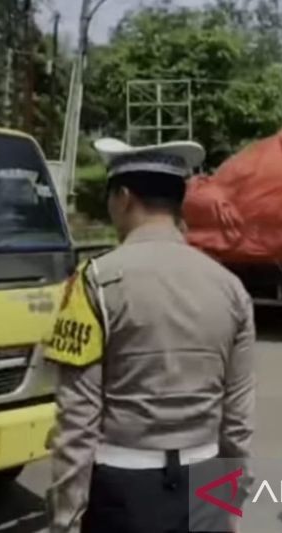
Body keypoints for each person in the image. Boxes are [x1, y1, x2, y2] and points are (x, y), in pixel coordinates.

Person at [43, 138, 257, 533]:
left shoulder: (95, 282)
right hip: (207, 480)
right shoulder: (230, 287)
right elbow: (238, 418)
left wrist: (66, 518)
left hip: (124, 491)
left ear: (123, 197)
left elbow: (78, 419)